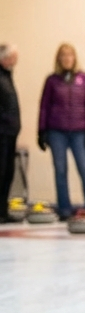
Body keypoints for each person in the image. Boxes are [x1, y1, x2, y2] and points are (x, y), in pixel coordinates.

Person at [37, 43, 85, 220]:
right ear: (59, 59)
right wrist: (41, 131)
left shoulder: (84, 79)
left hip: (80, 132)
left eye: (70, 55)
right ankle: (64, 209)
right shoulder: (52, 81)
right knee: (60, 170)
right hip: (56, 131)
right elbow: (44, 106)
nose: (67, 58)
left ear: (74, 58)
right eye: (63, 55)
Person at [0, 44, 20, 217]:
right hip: (2, 134)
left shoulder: (7, 76)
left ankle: (3, 211)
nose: (16, 61)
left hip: (10, 134)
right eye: (14, 57)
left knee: (8, 173)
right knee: (1, 173)